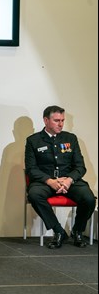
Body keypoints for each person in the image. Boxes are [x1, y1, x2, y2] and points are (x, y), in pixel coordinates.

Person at [25, 105, 95, 249]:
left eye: (63, 120)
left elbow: (80, 167)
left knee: (88, 198)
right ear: (46, 120)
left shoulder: (71, 138)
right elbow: (31, 169)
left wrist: (69, 180)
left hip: (69, 181)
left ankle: (77, 231)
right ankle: (58, 231)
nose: (61, 124)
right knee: (34, 194)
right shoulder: (33, 140)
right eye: (57, 120)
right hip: (45, 182)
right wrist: (49, 181)